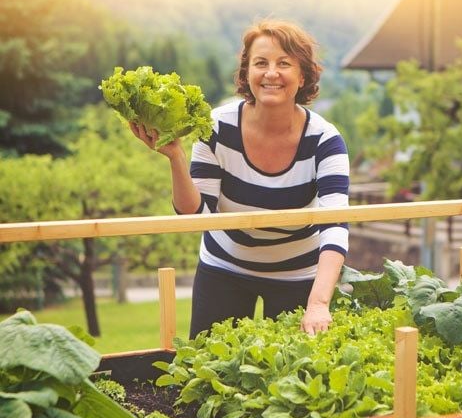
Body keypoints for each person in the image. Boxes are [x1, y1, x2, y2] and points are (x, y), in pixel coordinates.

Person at [129, 19, 349, 338]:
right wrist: (175, 157)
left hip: (298, 274)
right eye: (261, 63)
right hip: (224, 268)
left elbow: (335, 225)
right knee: (206, 374)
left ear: (303, 76)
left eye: (284, 63)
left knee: (293, 379)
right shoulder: (216, 126)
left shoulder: (325, 140)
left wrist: (318, 303)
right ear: (247, 73)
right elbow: (196, 214)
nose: (271, 73)